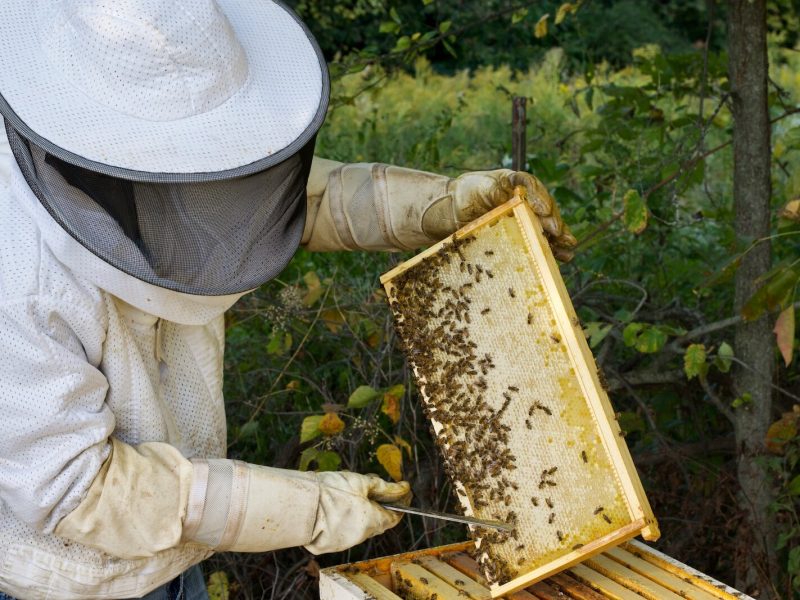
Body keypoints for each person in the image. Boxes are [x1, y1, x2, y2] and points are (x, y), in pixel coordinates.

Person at [0, 1, 576, 598]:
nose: (209, 182)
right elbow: (77, 489)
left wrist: (441, 205)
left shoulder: (151, 164)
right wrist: (302, 508)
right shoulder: (17, 274)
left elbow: (284, 207)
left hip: (174, 558)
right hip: (59, 579)